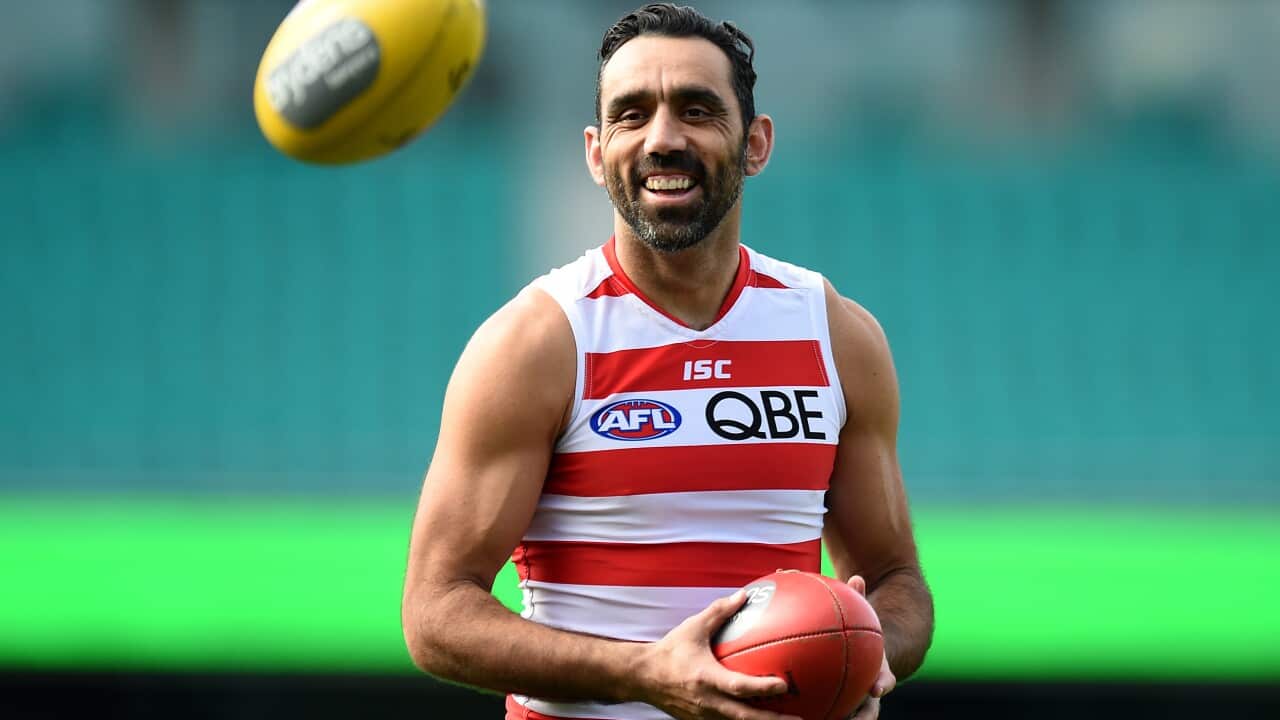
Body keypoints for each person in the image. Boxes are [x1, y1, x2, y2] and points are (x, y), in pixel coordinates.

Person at [401, 4, 934, 719]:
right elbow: (435, 614)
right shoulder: (537, 344)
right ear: (595, 152)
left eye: (697, 109)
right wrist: (645, 674)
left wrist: (862, 655)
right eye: (631, 113)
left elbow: (898, 582)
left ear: (755, 144)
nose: (662, 138)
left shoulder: (835, 335)